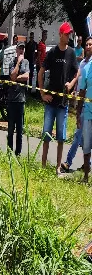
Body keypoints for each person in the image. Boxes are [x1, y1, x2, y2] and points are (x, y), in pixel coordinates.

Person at [39, 22, 79, 170]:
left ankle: (57, 167)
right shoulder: (52, 53)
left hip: (63, 103)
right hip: (50, 102)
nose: (68, 36)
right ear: (61, 34)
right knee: (46, 135)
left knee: (61, 137)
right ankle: (43, 166)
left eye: (70, 34)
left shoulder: (71, 53)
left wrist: (72, 83)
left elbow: (77, 73)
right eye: (67, 33)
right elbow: (40, 73)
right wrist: (43, 94)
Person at [60, 36, 92, 176]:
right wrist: (75, 91)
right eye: (87, 44)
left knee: (79, 136)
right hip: (82, 103)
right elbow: (80, 83)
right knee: (81, 136)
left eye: (91, 44)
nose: (88, 46)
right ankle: (86, 165)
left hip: (87, 105)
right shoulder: (83, 64)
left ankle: (69, 162)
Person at [76, 41, 92, 184]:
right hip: (87, 114)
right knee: (86, 146)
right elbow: (81, 92)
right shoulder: (86, 68)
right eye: (87, 44)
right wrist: (78, 112)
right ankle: (86, 177)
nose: (88, 47)